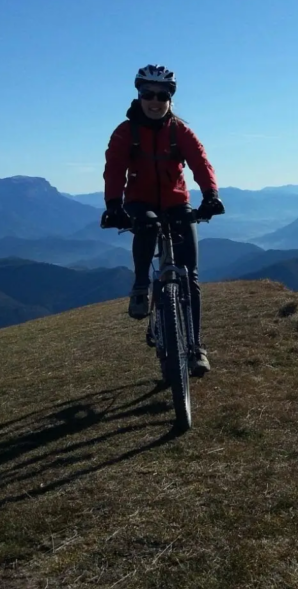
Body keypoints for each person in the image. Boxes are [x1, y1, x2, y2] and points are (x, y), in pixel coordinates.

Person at [100, 64, 224, 376]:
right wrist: (114, 205)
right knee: (147, 226)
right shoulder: (125, 132)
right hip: (140, 202)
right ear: (139, 95)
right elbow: (114, 169)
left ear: (170, 97)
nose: (155, 100)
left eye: (162, 95)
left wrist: (211, 195)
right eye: (148, 94)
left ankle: (195, 348)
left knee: (190, 275)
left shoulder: (179, 131)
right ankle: (142, 285)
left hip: (176, 200)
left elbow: (200, 161)